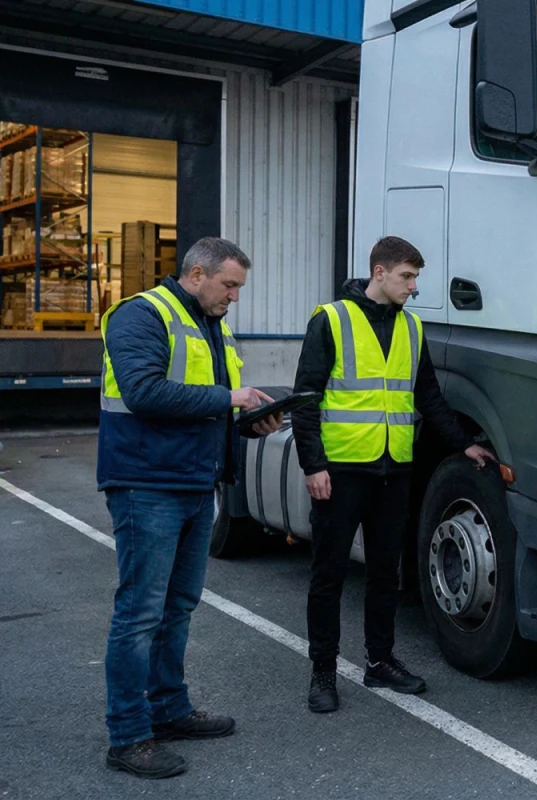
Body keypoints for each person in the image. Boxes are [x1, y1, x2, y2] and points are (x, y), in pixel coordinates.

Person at [98, 237, 282, 779]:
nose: (235, 297)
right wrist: (231, 399)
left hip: (195, 483)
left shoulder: (213, 323)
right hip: (145, 483)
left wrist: (251, 419)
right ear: (196, 273)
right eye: (229, 285)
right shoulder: (140, 316)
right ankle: (129, 737)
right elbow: (143, 391)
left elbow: (207, 404)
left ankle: (170, 710)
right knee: (139, 615)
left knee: (177, 607)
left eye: (239, 287)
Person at [291, 236, 493, 713]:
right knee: (329, 574)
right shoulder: (332, 320)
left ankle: (380, 662)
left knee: (386, 573)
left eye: (416, 277)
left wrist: (463, 442)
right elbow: (305, 398)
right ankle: (323, 670)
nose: (413, 286)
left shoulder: (411, 327)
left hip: (392, 470)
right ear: (378, 273)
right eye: (406, 276)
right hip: (340, 471)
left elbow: (428, 397)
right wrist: (313, 465)